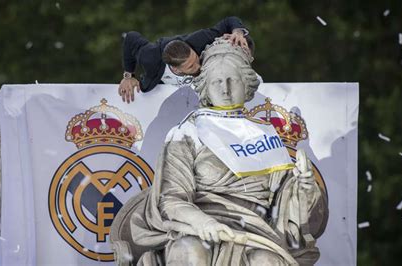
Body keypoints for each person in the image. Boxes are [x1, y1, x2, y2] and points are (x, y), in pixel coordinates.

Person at [126, 38, 326, 265]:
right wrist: (204, 223)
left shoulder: (264, 134)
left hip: (258, 233)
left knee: (267, 261)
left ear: (247, 84)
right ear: (205, 88)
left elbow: (286, 205)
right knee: (189, 251)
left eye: (234, 80)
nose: (225, 88)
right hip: (199, 229)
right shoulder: (187, 133)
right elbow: (171, 199)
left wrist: (306, 188)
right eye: (216, 81)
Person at [118, 16, 253, 103]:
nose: (198, 67)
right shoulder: (149, 57)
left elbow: (228, 21)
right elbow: (130, 38)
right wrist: (128, 75)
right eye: (190, 66)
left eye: (195, 59)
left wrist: (238, 32)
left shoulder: (199, 40)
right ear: (176, 68)